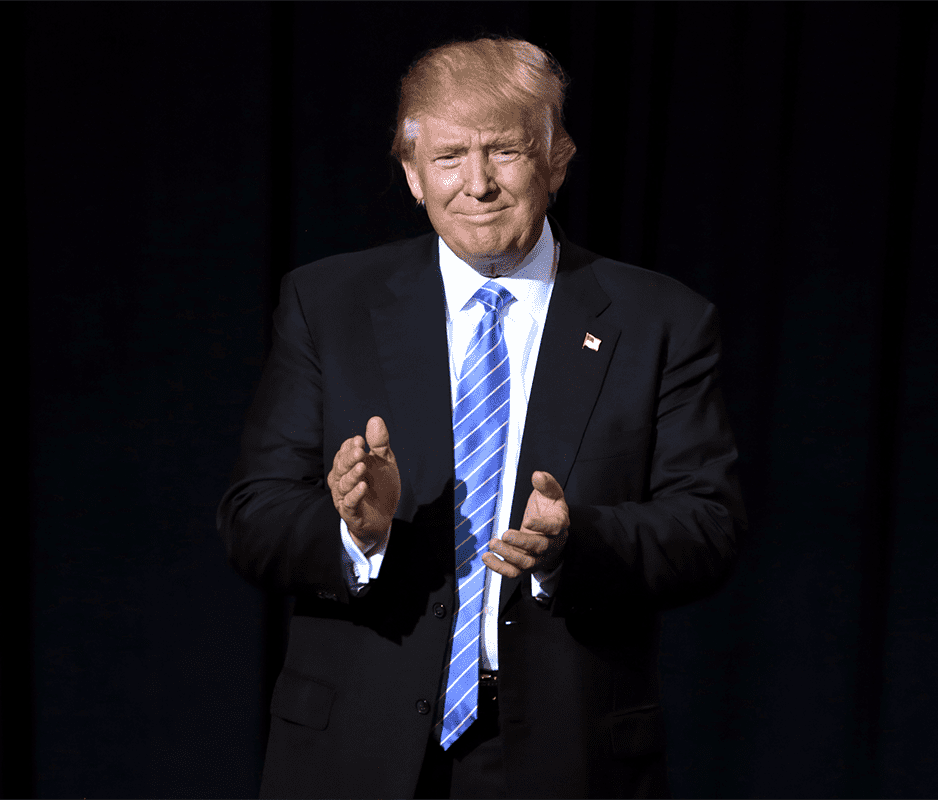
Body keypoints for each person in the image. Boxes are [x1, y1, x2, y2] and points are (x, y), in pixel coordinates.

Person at [217, 36, 746, 799]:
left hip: (565, 756)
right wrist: (354, 534)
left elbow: (709, 526)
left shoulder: (660, 319)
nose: (478, 184)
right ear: (410, 175)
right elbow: (252, 516)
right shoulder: (329, 305)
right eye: (449, 157)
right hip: (354, 752)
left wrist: (575, 544)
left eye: (504, 152)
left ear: (557, 160)